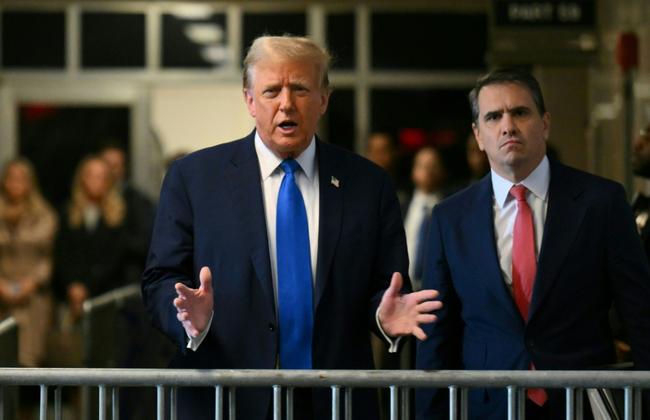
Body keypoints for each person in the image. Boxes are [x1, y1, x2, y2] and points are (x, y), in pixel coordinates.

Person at [142, 35, 441, 420]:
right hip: (227, 399)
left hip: (335, 401)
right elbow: (160, 279)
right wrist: (188, 319)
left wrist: (382, 319)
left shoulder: (369, 185)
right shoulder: (193, 178)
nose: (286, 103)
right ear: (250, 100)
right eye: (271, 90)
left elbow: (388, 287)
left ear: (323, 99)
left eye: (300, 88)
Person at [415, 68, 650, 420]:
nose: (508, 126)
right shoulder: (450, 217)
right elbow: (437, 331)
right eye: (494, 117)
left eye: (520, 112)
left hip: (581, 403)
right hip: (487, 406)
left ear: (545, 123)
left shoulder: (601, 201)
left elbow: (640, 312)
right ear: (478, 136)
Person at [53, 156, 127, 319]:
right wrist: (73, 286)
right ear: (81, 179)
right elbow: (62, 254)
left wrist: (87, 286)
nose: (96, 181)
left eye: (101, 177)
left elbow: (115, 257)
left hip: (106, 297)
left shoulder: (119, 216)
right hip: (70, 298)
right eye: (91, 176)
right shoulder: (67, 213)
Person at [0, 158, 57, 368]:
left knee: (28, 359)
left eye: (21, 179)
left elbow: (49, 257)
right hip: (1, 294)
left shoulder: (44, 214)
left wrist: (31, 283)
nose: (16, 184)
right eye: (11, 178)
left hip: (33, 297)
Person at [99, 143, 155, 285]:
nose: (110, 171)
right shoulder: (88, 203)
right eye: (106, 164)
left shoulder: (136, 201)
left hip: (125, 283)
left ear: (123, 168)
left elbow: (145, 243)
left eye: (115, 165)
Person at [403, 147, 449, 291]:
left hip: (438, 290)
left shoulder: (451, 209)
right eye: (422, 165)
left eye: (433, 165)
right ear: (413, 171)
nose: (428, 171)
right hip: (404, 289)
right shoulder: (400, 206)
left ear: (442, 171)